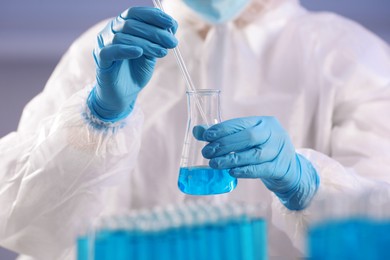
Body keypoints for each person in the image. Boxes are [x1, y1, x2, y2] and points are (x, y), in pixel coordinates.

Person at [0, 0, 389, 258]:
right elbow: (23, 222)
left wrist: (307, 186)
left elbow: (378, 236)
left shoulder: (348, 55)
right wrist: (98, 115)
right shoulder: (110, 50)